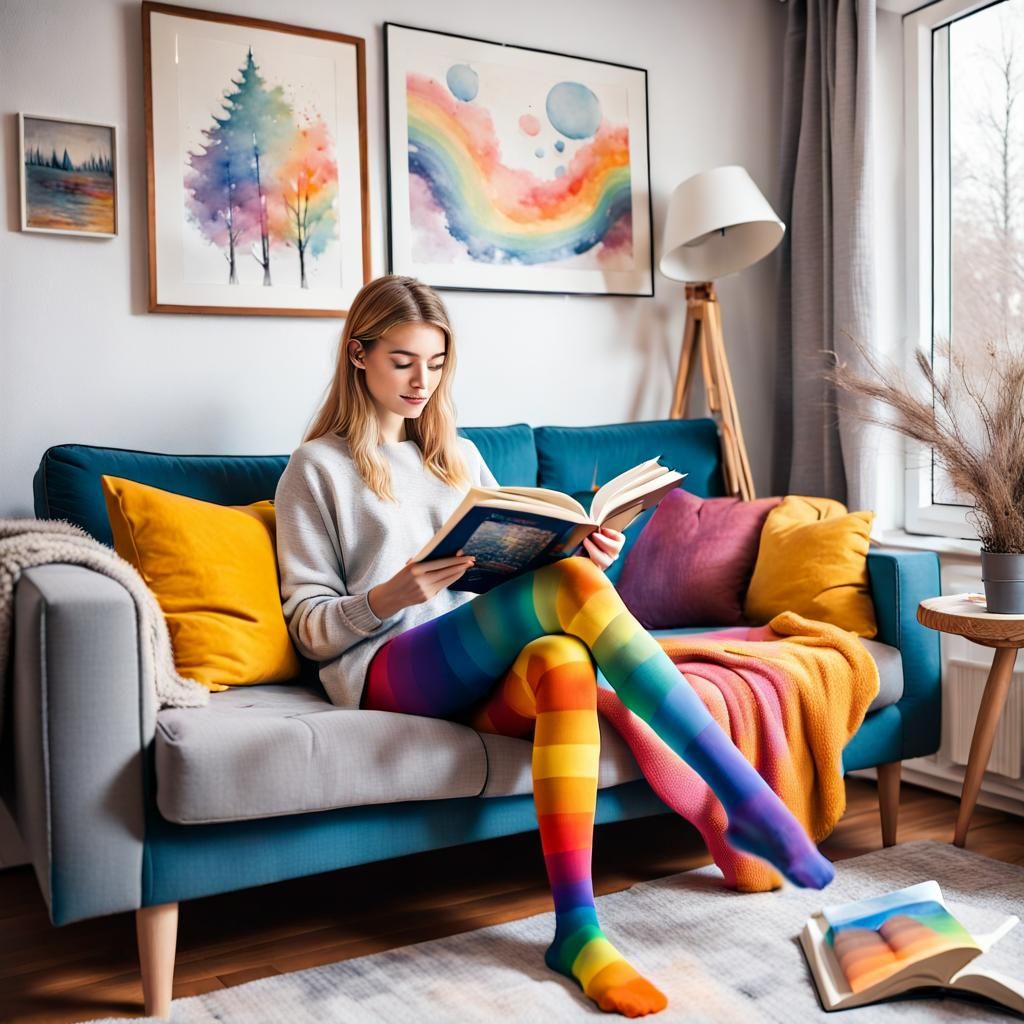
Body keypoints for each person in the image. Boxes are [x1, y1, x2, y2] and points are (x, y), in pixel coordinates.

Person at [275, 275, 835, 1019]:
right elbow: (309, 627)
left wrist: (580, 555)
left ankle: (577, 930)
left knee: (565, 659)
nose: (422, 381)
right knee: (566, 593)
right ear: (359, 355)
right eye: (404, 360)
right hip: (386, 668)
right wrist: (392, 596)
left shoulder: (457, 459)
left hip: (476, 663)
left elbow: (504, 584)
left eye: (437, 363)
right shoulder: (316, 469)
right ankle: (745, 795)